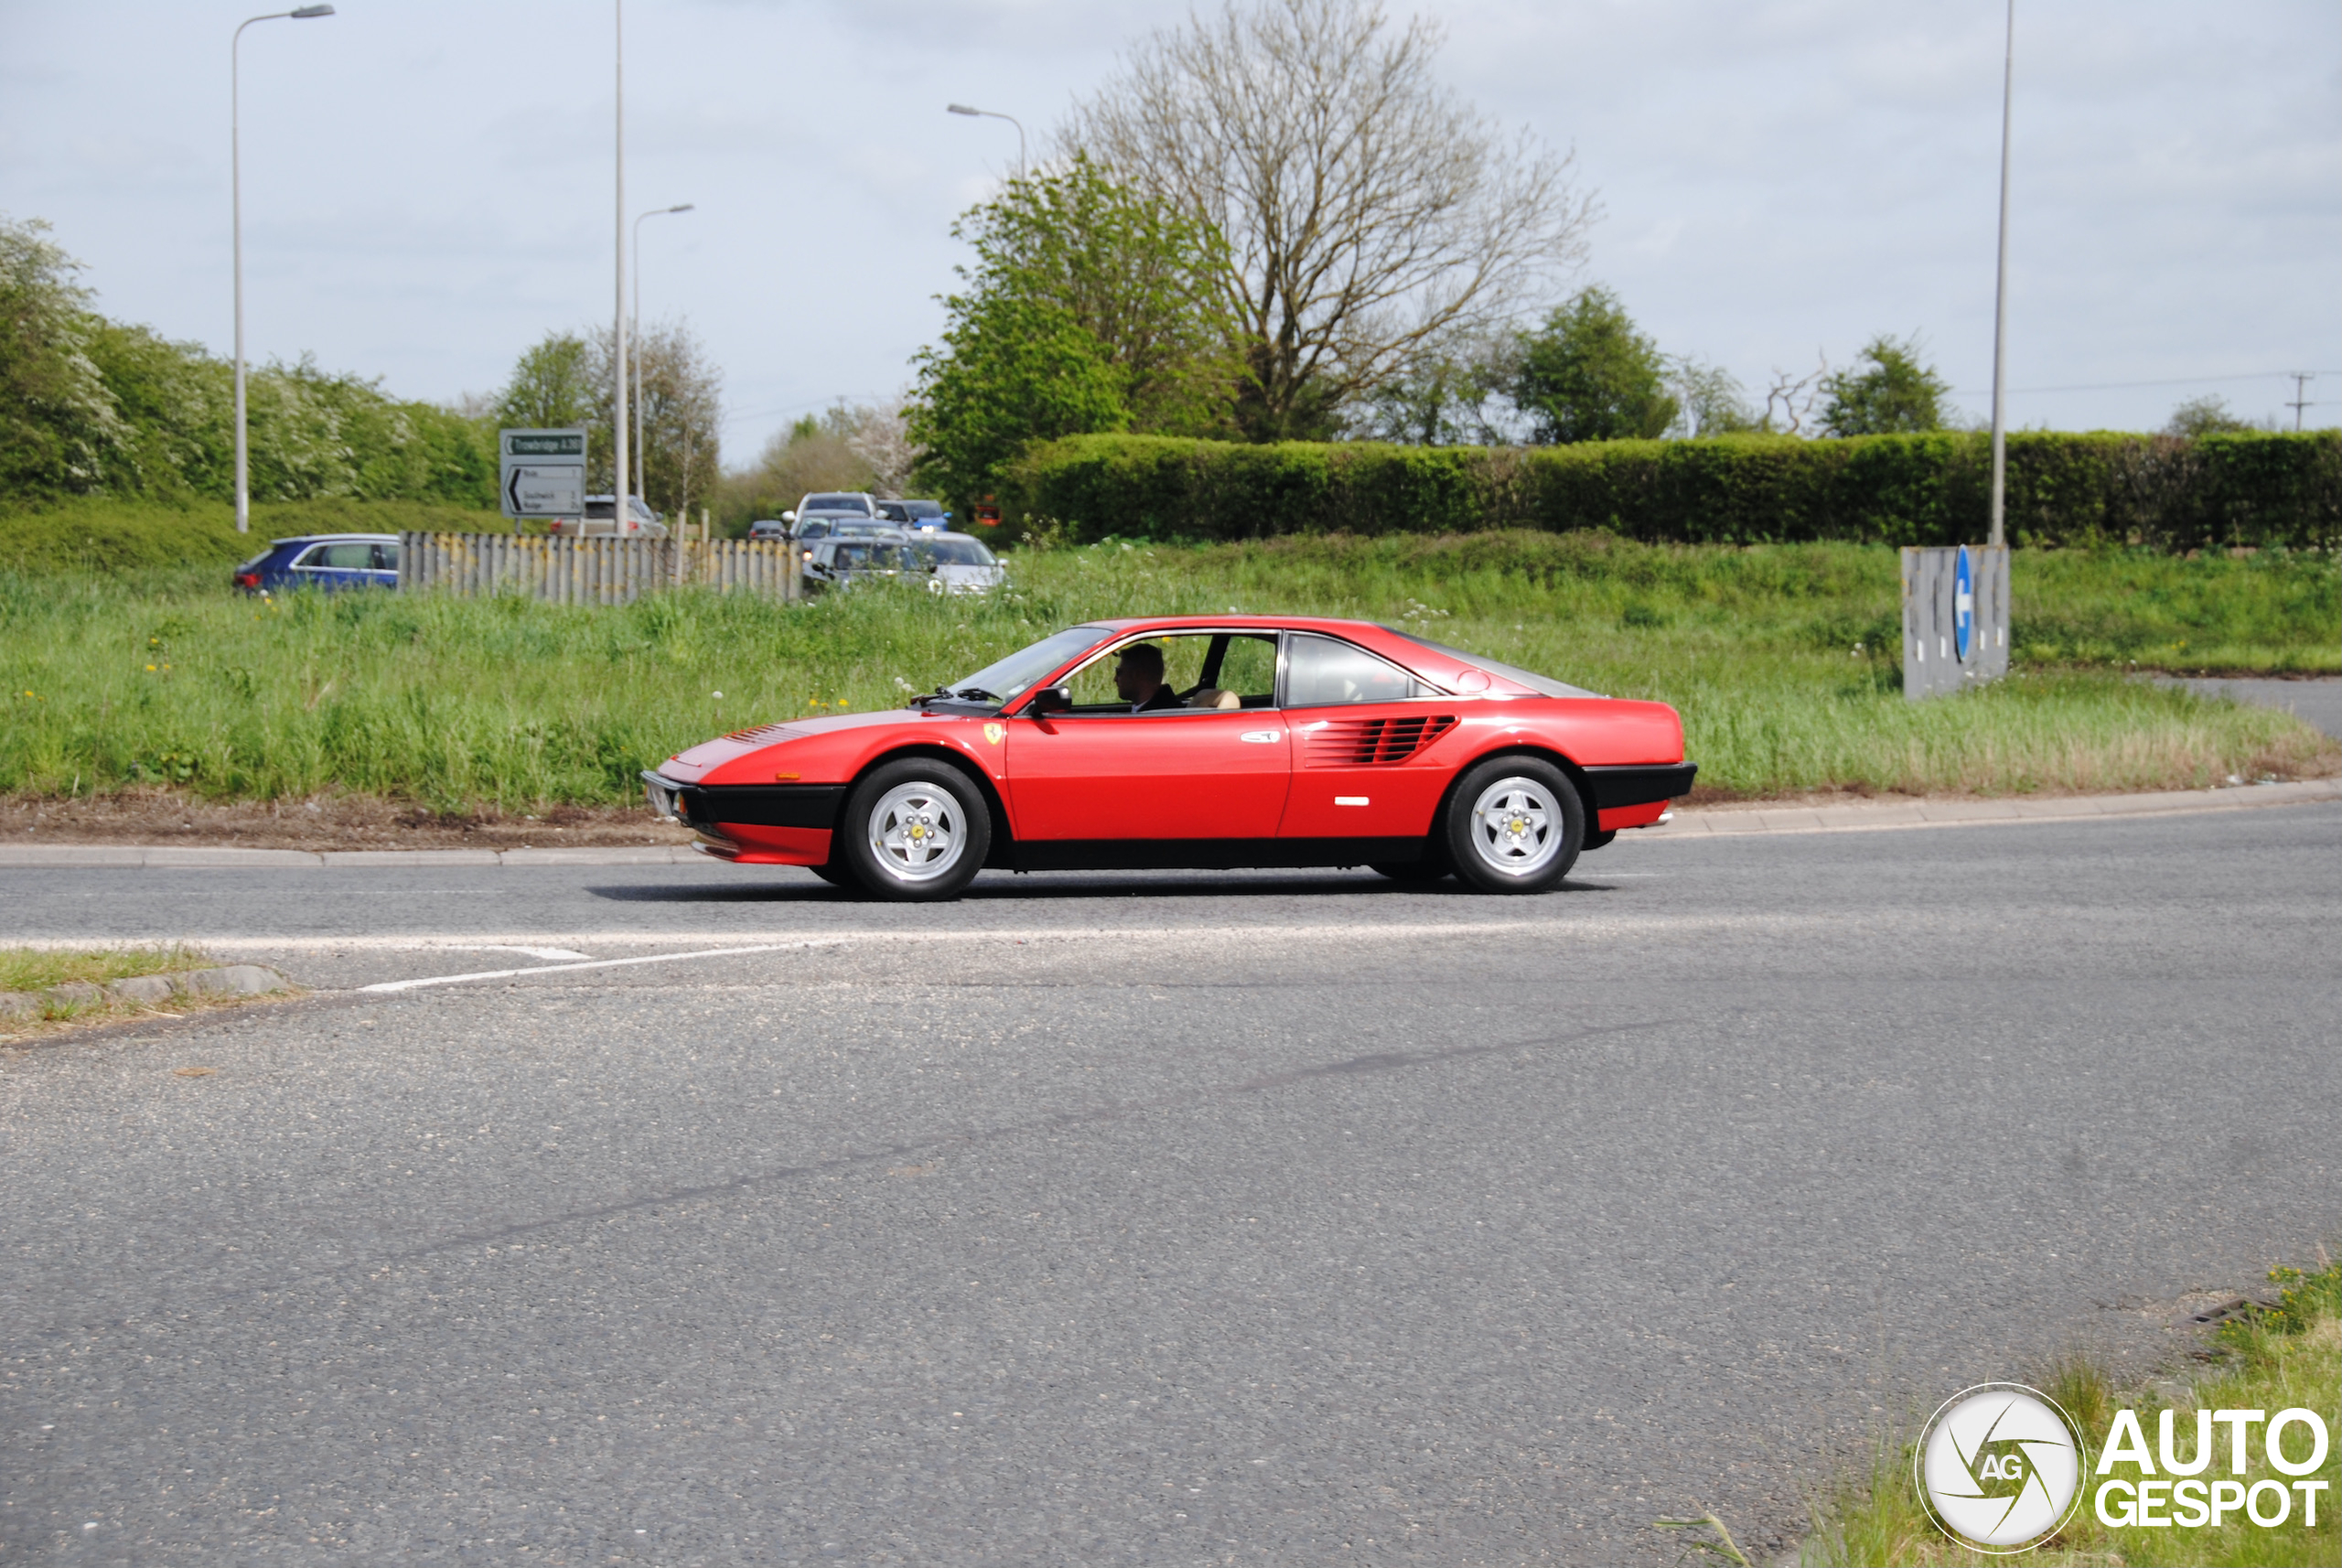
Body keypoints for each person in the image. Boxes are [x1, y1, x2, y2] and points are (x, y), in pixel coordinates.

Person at [1112, 643, 1180, 712]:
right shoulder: (1156, 710)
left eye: (1119, 672)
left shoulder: (1160, 716)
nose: (1115, 679)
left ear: (1138, 675)